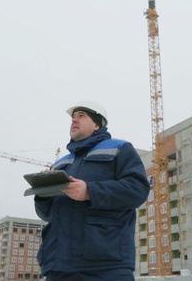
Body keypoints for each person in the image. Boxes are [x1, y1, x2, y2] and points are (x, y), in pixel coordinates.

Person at [34, 100, 151, 281]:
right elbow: (47, 215)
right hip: (58, 267)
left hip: (105, 265)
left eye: (81, 116)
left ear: (97, 124)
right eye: (73, 117)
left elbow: (138, 190)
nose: (74, 120)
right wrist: (42, 195)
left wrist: (90, 191)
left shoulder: (119, 149)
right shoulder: (60, 164)